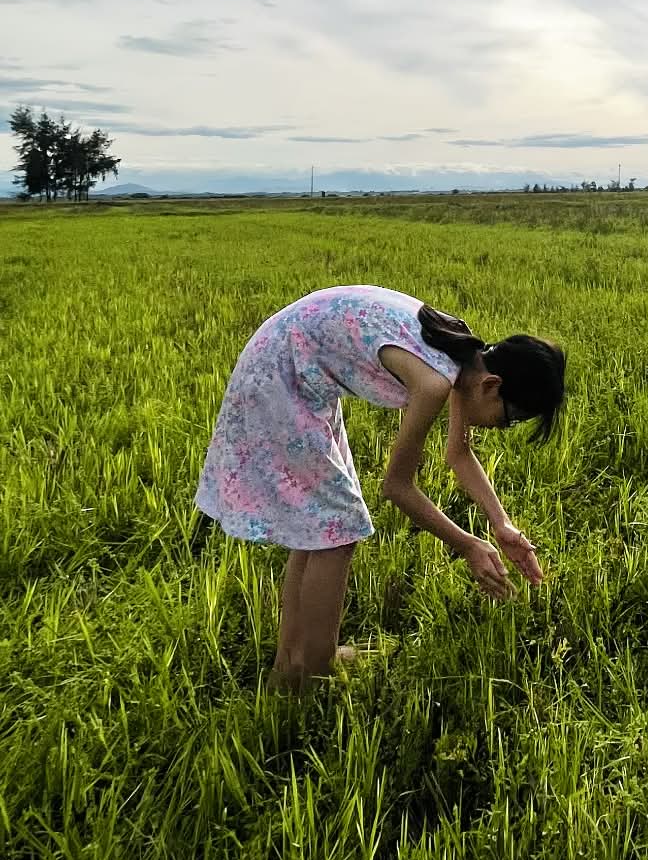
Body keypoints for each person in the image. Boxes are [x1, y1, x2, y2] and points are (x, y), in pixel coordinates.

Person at [195, 286, 565, 689]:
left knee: (319, 527)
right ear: (492, 386)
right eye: (509, 418)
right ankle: (311, 676)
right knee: (336, 530)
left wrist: (501, 524)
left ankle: (293, 664)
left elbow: (458, 454)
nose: (500, 427)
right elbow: (397, 487)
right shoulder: (436, 381)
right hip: (281, 377)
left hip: (299, 372)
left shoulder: (465, 356)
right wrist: (468, 545)